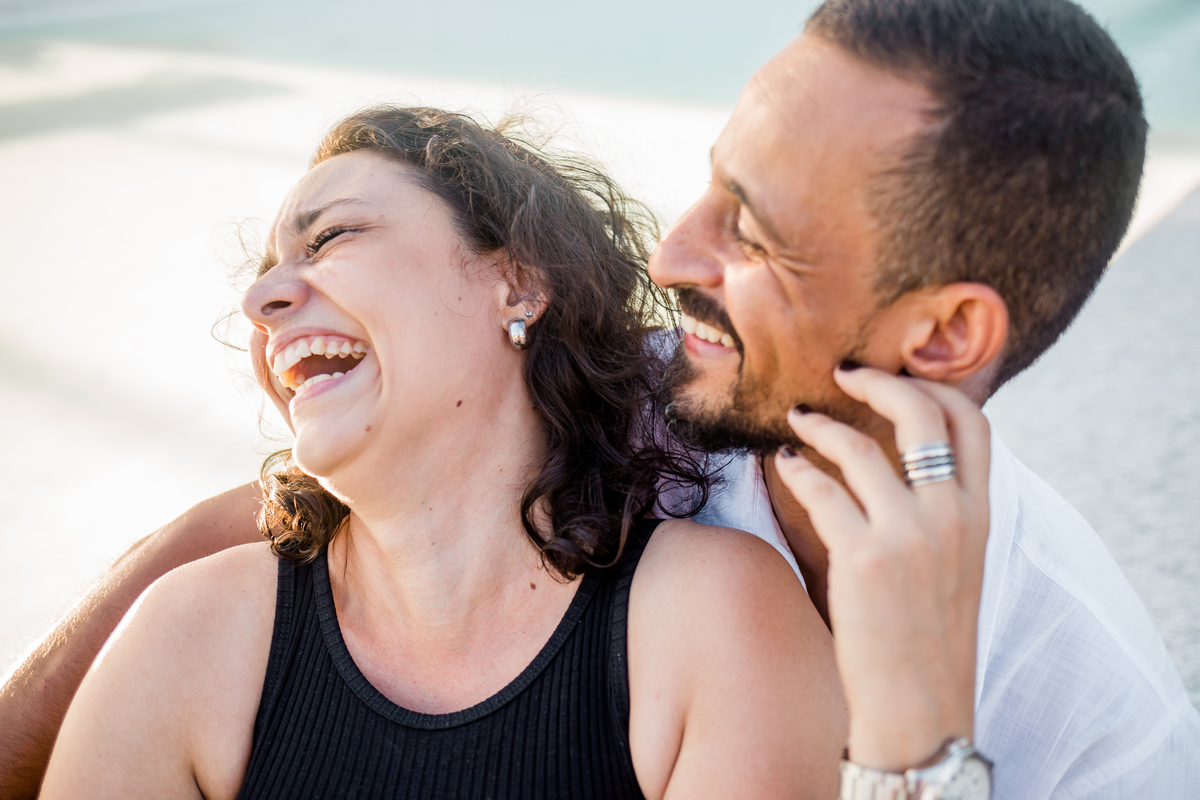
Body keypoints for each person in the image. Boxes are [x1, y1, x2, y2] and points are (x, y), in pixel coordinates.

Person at [3, 0, 1199, 798]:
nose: (673, 254)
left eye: (754, 230)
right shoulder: (653, 381)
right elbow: (297, 517)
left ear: (944, 333)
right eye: (711, 181)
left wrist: (924, 740)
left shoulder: (1095, 715)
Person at [34, 107, 848, 798]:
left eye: (332, 237)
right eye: (266, 272)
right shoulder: (191, 636)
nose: (262, 300)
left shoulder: (714, 616)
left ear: (519, 282)